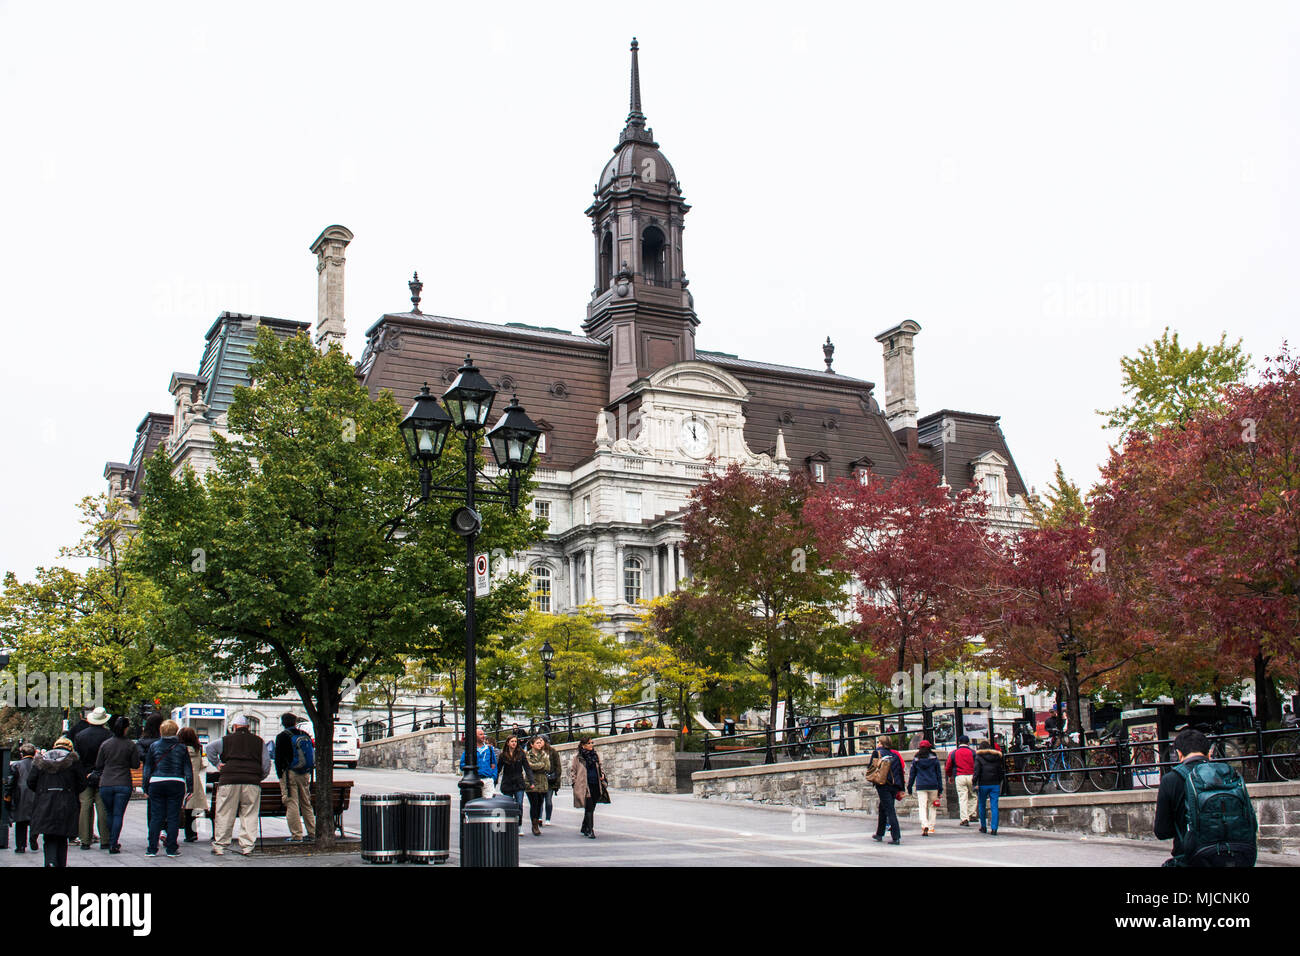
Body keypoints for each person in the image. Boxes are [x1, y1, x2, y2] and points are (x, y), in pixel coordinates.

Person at [1154, 727, 1257, 867]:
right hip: (1235, 857)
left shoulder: (1170, 780)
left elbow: (1162, 831)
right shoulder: (1229, 775)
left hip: (1191, 858)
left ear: (1178, 754)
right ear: (1209, 753)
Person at [210, 715, 267, 856]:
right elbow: (266, 764)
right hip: (251, 781)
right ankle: (247, 846)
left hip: (229, 779)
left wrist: (217, 764)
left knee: (225, 813)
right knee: (249, 813)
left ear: (234, 727)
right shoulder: (259, 741)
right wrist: (259, 776)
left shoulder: (225, 740)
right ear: (248, 727)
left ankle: (220, 845)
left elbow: (210, 748)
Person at [27, 737, 85, 867]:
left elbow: (30, 781)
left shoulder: (41, 761)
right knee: (62, 836)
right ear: (70, 748)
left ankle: (50, 861)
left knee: (49, 836)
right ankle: (59, 863)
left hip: (45, 803)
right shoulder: (73, 762)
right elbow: (82, 783)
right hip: (66, 802)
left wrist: (42, 792)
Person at [143, 719, 193, 858]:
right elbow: (188, 769)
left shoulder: (154, 746)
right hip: (176, 782)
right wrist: (190, 788)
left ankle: (152, 848)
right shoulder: (182, 748)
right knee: (173, 817)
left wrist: (145, 787)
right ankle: (171, 848)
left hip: (156, 782)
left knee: (156, 817)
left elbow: (147, 768)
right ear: (175, 731)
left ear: (161, 731)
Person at [95, 716, 140, 854]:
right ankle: (114, 843)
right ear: (126, 729)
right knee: (118, 814)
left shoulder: (105, 744)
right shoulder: (131, 745)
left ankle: (109, 840)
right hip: (123, 782)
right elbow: (135, 764)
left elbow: (98, 764)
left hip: (106, 782)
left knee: (109, 813)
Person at [73, 705, 112, 851]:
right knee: (102, 808)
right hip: (103, 775)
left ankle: (85, 839)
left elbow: (78, 759)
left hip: (85, 775)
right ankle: (105, 839)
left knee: (85, 807)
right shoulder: (108, 736)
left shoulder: (80, 736)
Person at [274, 713, 315, 844]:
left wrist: (279, 774)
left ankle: (297, 834)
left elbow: (278, 758)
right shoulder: (304, 734)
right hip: (304, 773)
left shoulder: (282, 737)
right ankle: (312, 832)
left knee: (292, 802)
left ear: (283, 723)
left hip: (289, 773)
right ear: (295, 722)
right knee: (306, 802)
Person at [868, 736, 905, 845]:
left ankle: (896, 836)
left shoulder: (877, 753)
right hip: (894, 785)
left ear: (882, 744)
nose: (877, 744)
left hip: (883, 784)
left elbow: (871, 767)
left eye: (879, 742)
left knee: (889, 810)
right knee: (883, 808)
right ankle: (879, 833)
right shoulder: (895, 755)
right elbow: (900, 772)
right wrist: (901, 788)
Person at [5, 743, 39, 853]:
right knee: (35, 820)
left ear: (21, 754)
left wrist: (8, 796)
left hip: (21, 796)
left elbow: (10, 783)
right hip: (36, 795)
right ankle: (33, 840)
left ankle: (20, 846)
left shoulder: (16, 765)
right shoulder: (39, 765)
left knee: (21, 822)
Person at [570, 737, 607, 838]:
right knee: (589, 807)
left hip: (596, 784)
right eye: (589, 743)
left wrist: (602, 774)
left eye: (592, 742)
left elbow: (600, 766)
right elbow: (573, 771)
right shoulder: (578, 758)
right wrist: (575, 783)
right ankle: (590, 830)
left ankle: (584, 826)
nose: (592, 745)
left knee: (591, 807)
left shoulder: (595, 755)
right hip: (584, 786)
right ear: (583, 745)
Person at [177, 727, 208, 843]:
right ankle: (192, 833)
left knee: (180, 807)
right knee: (193, 809)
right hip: (195, 780)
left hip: (182, 779)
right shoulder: (197, 749)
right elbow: (200, 766)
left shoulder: (180, 749)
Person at [907, 740, 943, 836]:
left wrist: (909, 786)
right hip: (933, 785)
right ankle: (931, 827)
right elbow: (938, 774)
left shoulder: (916, 759)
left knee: (922, 806)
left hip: (921, 785)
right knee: (932, 806)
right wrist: (940, 788)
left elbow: (912, 774)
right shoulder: (934, 758)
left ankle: (924, 824)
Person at [972, 739, 1004, 835]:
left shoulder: (979, 757)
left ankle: (983, 826)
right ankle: (994, 828)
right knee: (994, 806)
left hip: (983, 784)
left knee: (982, 805)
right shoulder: (997, 757)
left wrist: (974, 782)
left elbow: (977, 771)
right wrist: (999, 781)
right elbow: (1001, 771)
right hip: (995, 784)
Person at [945, 734, 978, 826]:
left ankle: (964, 818)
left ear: (959, 743)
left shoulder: (953, 753)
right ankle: (972, 814)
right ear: (968, 743)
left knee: (962, 798)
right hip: (971, 775)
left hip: (959, 776)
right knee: (973, 795)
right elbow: (977, 765)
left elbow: (948, 766)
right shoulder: (973, 752)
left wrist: (950, 776)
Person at [459, 728, 499, 798]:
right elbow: (462, 764)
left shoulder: (489, 749)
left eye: (483, 734)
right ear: (475, 736)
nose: (483, 736)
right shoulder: (470, 750)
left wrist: (493, 777)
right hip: (475, 780)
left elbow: (494, 764)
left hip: (487, 779)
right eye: (480, 734)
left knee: (488, 802)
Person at [524, 736, 551, 835]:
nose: (539, 745)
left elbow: (547, 767)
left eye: (540, 743)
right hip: (531, 782)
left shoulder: (544, 754)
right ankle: (534, 825)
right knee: (534, 804)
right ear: (532, 744)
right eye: (537, 743)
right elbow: (528, 766)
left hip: (542, 782)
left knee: (539, 804)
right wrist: (540, 765)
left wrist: (537, 766)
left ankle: (536, 821)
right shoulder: (527, 754)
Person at [497, 735, 530, 815]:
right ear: (508, 743)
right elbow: (498, 768)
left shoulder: (521, 754)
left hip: (518, 782)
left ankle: (519, 822)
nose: (514, 743)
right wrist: (495, 779)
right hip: (507, 782)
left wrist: (531, 780)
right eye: (512, 741)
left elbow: (527, 767)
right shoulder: (503, 755)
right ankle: (510, 823)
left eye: (515, 741)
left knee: (519, 804)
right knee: (508, 805)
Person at [541, 735, 561, 826]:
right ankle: (539, 817)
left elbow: (558, 766)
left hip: (550, 780)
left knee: (548, 800)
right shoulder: (537, 751)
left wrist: (556, 776)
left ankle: (548, 818)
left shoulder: (553, 752)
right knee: (539, 801)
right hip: (540, 780)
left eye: (542, 741)